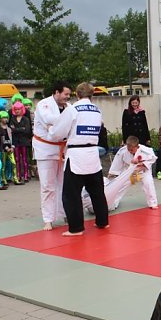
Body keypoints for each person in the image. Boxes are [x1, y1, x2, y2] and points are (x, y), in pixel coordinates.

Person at [50, 82, 108, 236]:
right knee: (97, 191)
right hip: (92, 152)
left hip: (76, 154)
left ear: (77, 94)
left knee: (71, 194)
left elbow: (58, 133)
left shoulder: (72, 109)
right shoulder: (97, 110)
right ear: (92, 94)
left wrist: (51, 130)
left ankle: (76, 228)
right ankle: (102, 221)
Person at [84, 135, 158, 213]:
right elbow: (117, 162)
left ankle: (152, 203)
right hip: (130, 172)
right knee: (120, 187)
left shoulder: (146, 150)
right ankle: (113, 203)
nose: (130, 151)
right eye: (128, 149)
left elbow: (153, 159)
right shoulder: (122, 151)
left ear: (137, 146)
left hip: (143, 172)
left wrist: (142, 164)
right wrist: (113, 173)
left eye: (132, 150)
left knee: (148, 184)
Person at [32, 84, 70, 230]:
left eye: (69, 94)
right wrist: (67, 119)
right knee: (48, 186)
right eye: (66, 94)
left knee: (64, 184)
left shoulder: (69, 107)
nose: (68, 97)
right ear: (57, 92)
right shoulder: (44, 104)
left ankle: (65, 213)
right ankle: (48, 219)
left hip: (63, 149)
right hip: (45, 149)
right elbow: (49, 119)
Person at [10, 101, 32, 183]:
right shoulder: (12, 119)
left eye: (18, 109)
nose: (17, 111)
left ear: (22, 109)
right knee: (17, 159)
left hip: (24, 141)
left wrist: (16, 129)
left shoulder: (26, 119)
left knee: (25, 159)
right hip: (16, 142)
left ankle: (25, 176)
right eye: (16, 109)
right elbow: (12, 129)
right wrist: (21, 129)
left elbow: (27, 130)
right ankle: (18, 176)